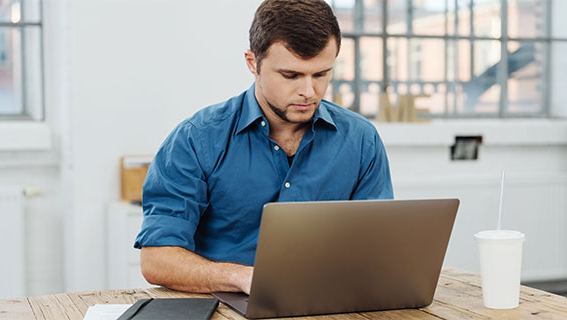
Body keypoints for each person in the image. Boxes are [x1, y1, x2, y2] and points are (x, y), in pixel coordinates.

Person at [134, 0, 393, 295]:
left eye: (320, 74)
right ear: (252, 63)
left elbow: (376, 250)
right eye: (291, 75)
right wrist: (243, 279)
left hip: (328, 304)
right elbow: (157, 259)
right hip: (226, 305)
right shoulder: (197, 140)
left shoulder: (361, 141)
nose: (309, 92)